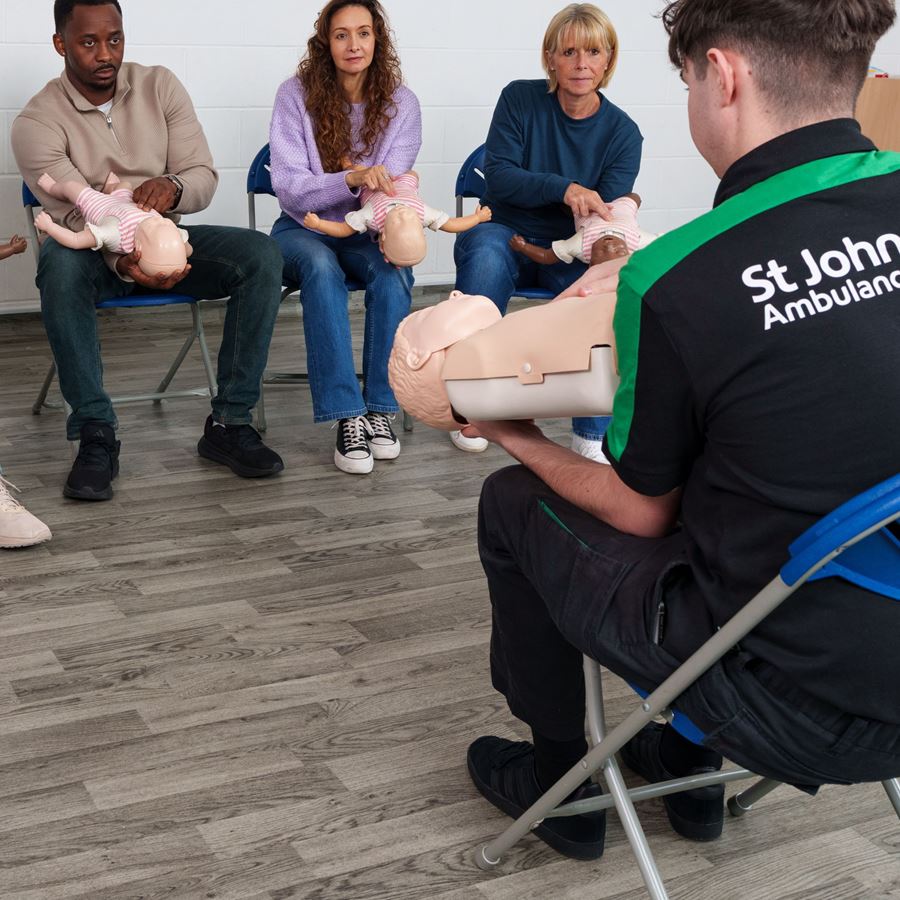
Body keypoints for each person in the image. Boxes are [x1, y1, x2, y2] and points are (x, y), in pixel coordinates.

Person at [464, 0, 900, 863]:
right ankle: (695, 778)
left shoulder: (680, 276)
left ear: (723, 74)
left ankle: (564, 787)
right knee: (759, 454)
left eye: (689, 79)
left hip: (784, 698)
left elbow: (639, 515)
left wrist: (515, 432)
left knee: (515, 499)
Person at [12, 0, 284, 502]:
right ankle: (96, 433)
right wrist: (126, 261)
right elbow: (76, 210)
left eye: (114, 38)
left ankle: (228, 423)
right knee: (57, 263)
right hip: (92, 249)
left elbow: (202, 176)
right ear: (60, 45)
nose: (104, 53)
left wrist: (174, 187)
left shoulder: (160, 86)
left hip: (167, 239)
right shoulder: (36, 121)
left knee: (261, 255)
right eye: (87, 41)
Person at [452, 3, 642, 457]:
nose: (581, 64)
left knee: (604, 293)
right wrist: (564, 189)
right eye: (570, 51)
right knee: (484, 255)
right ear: (550, 57)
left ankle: (592, 434)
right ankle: (468, 407)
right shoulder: (519, 98)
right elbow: (497, 176)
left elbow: (604, 219)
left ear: (608, 60)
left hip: (572, 251)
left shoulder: (623, 133)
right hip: (504, 229)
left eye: (593, 52)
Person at [269, 0, 421, 475]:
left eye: (363, 33)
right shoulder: (294, 95)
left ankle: (380, 407)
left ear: (379, 40)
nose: (353, 45)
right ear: (325, 42)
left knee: (393, 272)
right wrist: (351, 178)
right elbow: (291, 187)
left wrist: (366, 192)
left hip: (365, 230)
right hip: (300, 227)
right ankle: (347, 415)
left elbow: (388, 188)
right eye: (341, 35)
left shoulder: (402, 104)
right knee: (319, 267)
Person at [304, 170, 491, 267]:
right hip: (404, 182)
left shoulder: (373, 217)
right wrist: (477, 217)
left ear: (382, 238)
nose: (403, 213)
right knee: (413, 174)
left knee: (356, 167)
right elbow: (453, 225)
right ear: (422, 230)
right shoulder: (423, 214)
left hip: (373, 185)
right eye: (410, 222)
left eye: (398, 221)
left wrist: (319, 223)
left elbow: (344, 230)